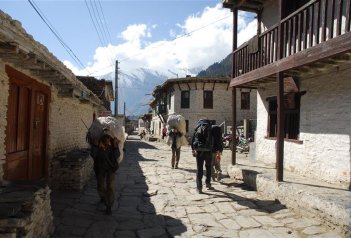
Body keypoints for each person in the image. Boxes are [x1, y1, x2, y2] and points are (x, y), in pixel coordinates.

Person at [90, 134, 120, 215]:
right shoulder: (97, 146)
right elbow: (93, 155)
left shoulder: (112, 146)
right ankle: (103, 197)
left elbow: (117, 155)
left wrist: (115, 146)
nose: (107, 139)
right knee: (100, 186)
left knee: (110, 187)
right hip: (100, 169)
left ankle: (108, 206)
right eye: (105, 138)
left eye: (108, 138)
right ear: (102, 138)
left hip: (110, 169)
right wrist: (95, 146)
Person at [191, 119, 218, 194]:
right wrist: (216, 150)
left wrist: (193, 150)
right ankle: (208, 184)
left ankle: (199, 188)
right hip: (209, 151)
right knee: (208, 167)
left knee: (199, 169)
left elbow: (193, 140)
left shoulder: (197, 128)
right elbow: (215, 140)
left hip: (199, 151)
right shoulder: (210, 128)